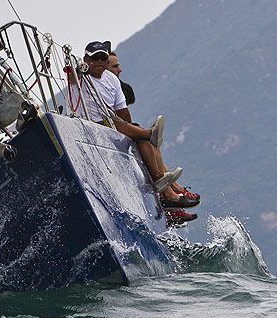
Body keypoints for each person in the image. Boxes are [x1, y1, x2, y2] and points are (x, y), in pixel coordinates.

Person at [68, 41, 199, 218]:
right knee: (140, 134)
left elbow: (123, 111)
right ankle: (151, 138)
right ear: (86, 59)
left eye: (102, 58)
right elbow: (69, 74)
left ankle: (163, 185)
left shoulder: (111, 79)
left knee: (138, 137)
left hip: (111, 125)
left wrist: (129, 129)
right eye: (95, 58)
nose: (99, 61)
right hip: (89, 125)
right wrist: (74, 67)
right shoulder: (80, 76)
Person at [106, 51, 201, 224]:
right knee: (144, 138)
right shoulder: (96, 83)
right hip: (111, 131)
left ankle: (171, 193)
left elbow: (123, 115)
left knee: (149, 141)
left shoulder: (112, 84)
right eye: (115, 66)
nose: (120, 69)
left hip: (117, 129)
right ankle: (170, 193)